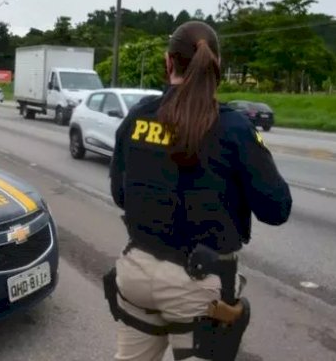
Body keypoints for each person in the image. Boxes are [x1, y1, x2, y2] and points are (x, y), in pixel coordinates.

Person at [105, 21, 292, 361]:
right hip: (197, 288)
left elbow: (120, 194)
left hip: (136, 271)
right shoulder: (233, 127)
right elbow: (276, 209)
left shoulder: (137, 117)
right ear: (216, 67)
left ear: (168, 62)